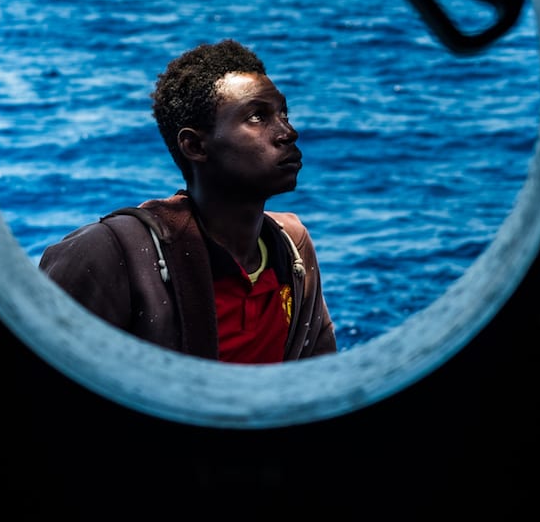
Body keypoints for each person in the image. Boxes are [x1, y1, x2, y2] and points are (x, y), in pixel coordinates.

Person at [39, 39, 337, 363]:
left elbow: (318, 377)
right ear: (195, 146)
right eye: (256, 117)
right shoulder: (108, 254)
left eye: (283, 113)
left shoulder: (292, 246)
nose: (287, 131)